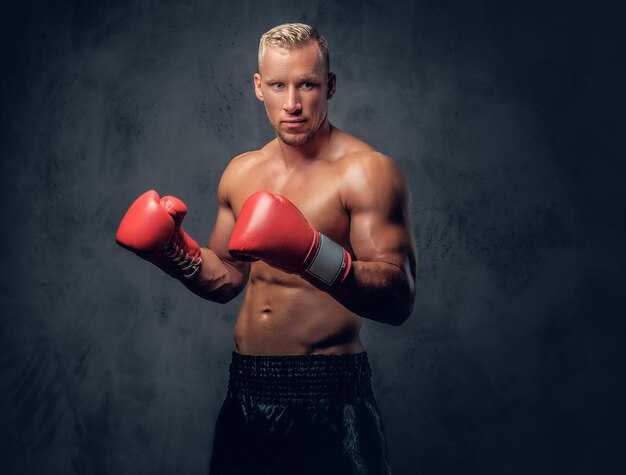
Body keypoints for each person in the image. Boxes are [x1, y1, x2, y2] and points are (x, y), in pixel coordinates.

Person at [116, 23, 417, 475]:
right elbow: (227, 280)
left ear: (329, 85)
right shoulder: (241, 172)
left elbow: (398, 297)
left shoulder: (367, 172)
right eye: (278, 85)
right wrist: (173, 253)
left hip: (329, 396)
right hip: (247, 390)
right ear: (259, 87)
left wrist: (311, 254)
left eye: (307, 85)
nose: (292, 103)